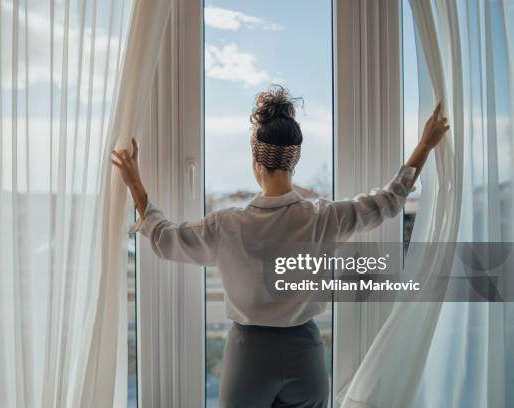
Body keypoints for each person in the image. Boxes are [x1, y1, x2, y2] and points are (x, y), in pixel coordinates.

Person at [111, 85, 449, 408]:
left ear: (255, 161)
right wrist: (424, 145)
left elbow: (165, 238)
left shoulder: (227, 225)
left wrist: (135, 183)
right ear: (294, 161)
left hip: (249, 358)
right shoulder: (322, 217)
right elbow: (389, 201)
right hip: (306, 357)